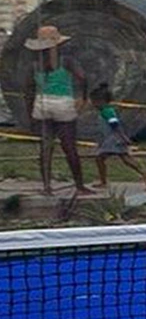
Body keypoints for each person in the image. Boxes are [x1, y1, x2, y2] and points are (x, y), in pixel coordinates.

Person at [21, 24, 88, 195]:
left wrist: (30, 115)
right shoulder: (66, 61)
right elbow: (82, 77)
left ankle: (47, 187)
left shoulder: (35, 64)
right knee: (69, 147)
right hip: (64, 104)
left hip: (41, 104)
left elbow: (28, 91)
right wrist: (82, 97)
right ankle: (79, 186)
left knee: (46, 147)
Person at [89, 83, 146, 191]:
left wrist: (123, 137)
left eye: (94, 102)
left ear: (101, 101)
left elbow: (115, 126)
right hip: (111, 139)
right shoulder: (105, 111)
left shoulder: (107, 111)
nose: (93, 104)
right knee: (125, 159)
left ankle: (104, 181)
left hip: (113, 139)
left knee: (101, 158)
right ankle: (145, 174)